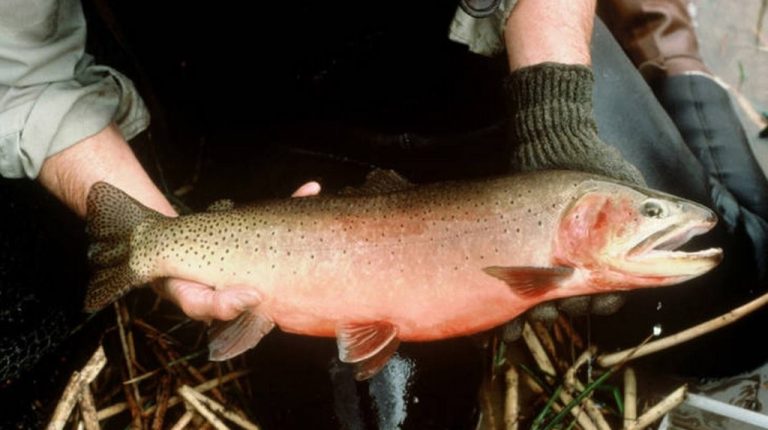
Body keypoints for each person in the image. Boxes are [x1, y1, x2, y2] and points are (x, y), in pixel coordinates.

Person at [1, 0, 766, 426]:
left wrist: (557, 113)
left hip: (483, 69)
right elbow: (26, 79)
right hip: (241, 115)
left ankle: (670, 47)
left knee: (737, 306)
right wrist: (164, 240)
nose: (660, 218)